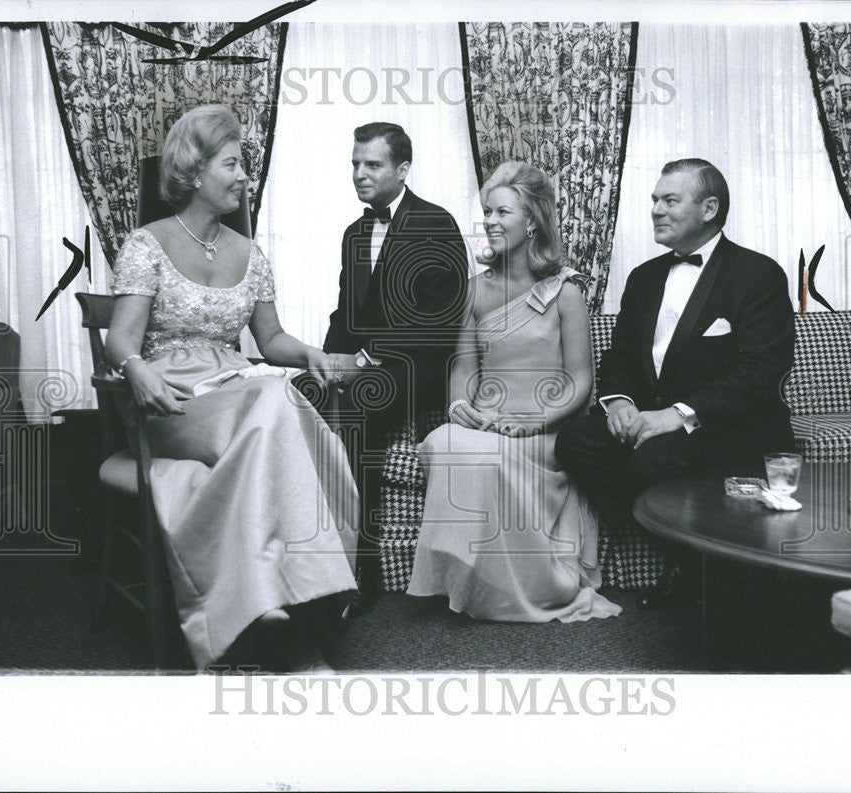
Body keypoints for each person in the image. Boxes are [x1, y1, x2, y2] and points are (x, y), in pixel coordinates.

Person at [105, 105, 359, 671]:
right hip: (171, 398)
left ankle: (275, 600)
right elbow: (120, 339)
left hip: (237, 389)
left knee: (279, 397)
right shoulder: (146, 245)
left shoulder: (252, 254)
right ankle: (303, 603)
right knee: (276, 400)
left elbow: (270, 340)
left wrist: (311, 353)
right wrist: (136, 371)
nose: (245, 175)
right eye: (233, 163)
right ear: (194, 172)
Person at [554, 158, 795, 609]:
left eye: (670, 200)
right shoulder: (643, 278)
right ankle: (687, 551)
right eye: (654, 201)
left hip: (725, 425)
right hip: (648, 419)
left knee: (653, 461)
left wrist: (676, 416)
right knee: (575, 441)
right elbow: (621, 355)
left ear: (709, 208)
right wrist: (620, 404)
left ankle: (699, 568)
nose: (656, 210)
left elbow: (759, 375)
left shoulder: (758, 275)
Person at [405, 161, 622, 623]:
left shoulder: (566, 293)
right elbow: (464, 368)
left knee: (488, 456)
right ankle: (475, 583)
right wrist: (459, 404)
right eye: (487, 211)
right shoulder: (473, 291)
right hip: (486, 422)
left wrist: (534, 422)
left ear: (532, 222)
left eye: (502, 212)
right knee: (447, 440)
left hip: (544, 433)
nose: (490, 221)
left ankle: (522, 591)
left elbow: (582, 383)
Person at [320, 122, 468, 618]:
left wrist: (363, 362)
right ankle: (309, 561)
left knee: (363, 406)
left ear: (402, 170)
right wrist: (326, 364)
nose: (359, 174)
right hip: (368, 367)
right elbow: (345, 316)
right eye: (355, 164)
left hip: (420, 367)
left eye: (373, 165)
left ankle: (363, 569)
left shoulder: (437, 223)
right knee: (303, 395)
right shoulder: (354, 233)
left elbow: (438, 322)